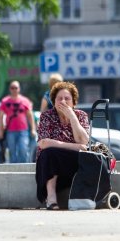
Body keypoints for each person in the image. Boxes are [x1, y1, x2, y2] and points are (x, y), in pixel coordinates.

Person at [35, 82, 89, 210]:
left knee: (83, 157)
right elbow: (44, 143)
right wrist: (76, 147)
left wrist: (72, 117)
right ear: (54, 101)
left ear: (73, 101)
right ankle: (51, 197)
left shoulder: (81, 115)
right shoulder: (47, 116)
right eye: (59, 98)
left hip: (72, 165)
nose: (63, 101)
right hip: (50, 165)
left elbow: (83, 141)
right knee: (50, 153)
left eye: (67, 98)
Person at [0, 81, 36, 163]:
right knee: (12, 151)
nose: (14, 89)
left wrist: (33, 129)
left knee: (23, 149)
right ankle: (14, 171)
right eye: (12, 88)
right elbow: (0, 117)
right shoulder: (5, 101)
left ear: (19, 89)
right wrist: (0, 131)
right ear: (10, 89)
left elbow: (30, 116)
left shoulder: (25, 100)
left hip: (23, 130)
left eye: (16, 88)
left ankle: (23, 169)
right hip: (10, 131)